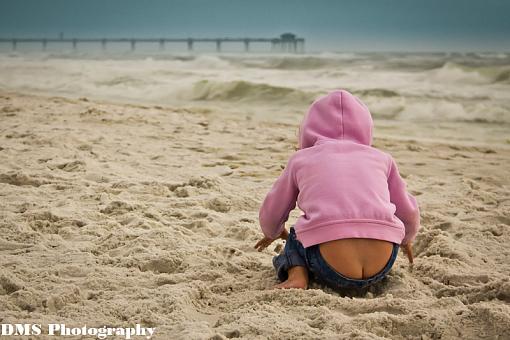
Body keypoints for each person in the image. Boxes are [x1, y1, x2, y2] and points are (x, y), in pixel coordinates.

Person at [254, 90, 419, 291]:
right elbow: (407, 211)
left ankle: (297, 277)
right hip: (383, 264)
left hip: (330, 268)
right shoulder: (383, 159)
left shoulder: (300, 160)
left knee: (297, 235)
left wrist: (273, 231)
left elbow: (274, 209)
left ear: (307, 129)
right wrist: (406, 238)